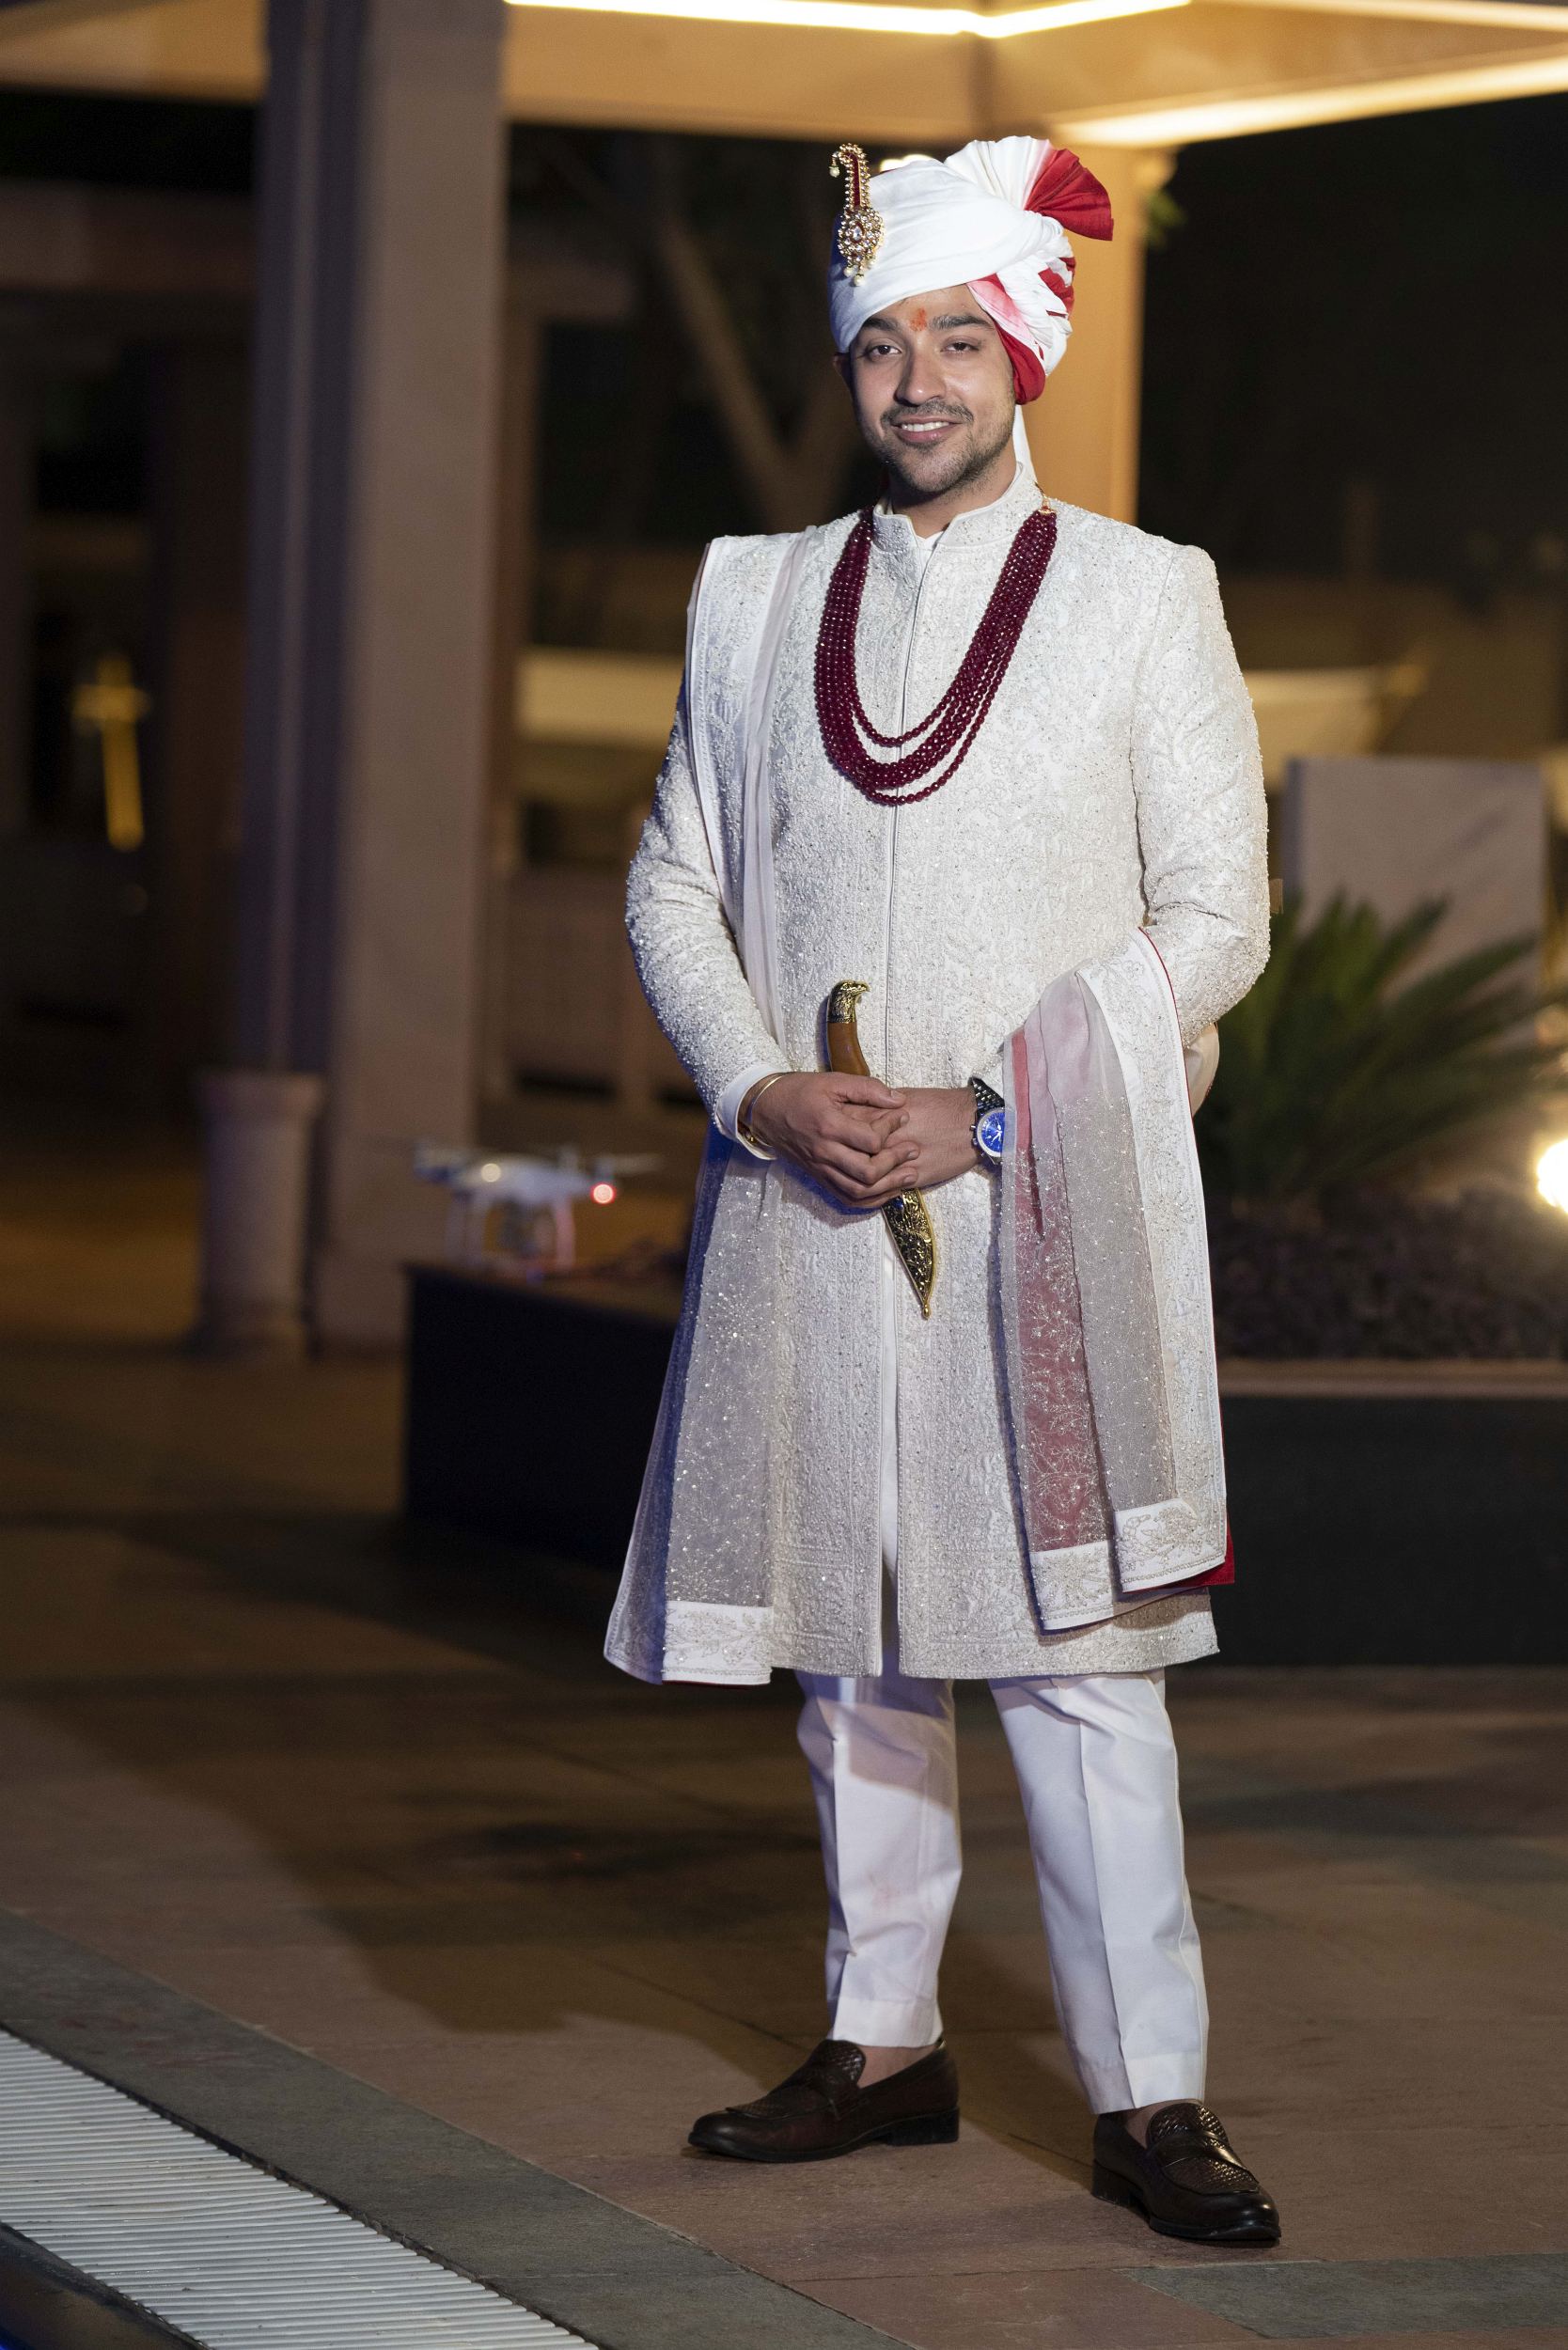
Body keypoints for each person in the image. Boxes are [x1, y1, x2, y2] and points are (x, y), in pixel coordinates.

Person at [605, 133, 1278, 2248]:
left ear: (1026, 353)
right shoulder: (749, 594)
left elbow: (1219, 915)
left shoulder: (1146, 594)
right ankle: (881, 2036)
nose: (916, 379)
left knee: (1081, 1660)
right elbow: (673, 874)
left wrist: (986, 1111)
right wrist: (754, 1088)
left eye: (957, 340)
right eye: (884, 341)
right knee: (854, 1641)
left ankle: (1153, 2091)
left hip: (1038, 1206)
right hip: (809, 1204)